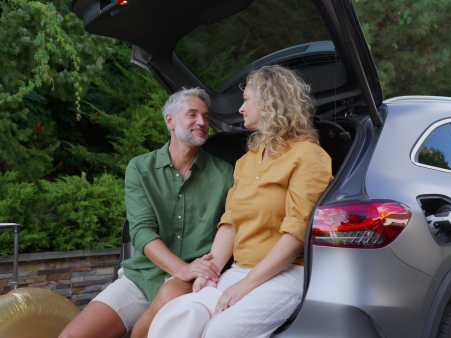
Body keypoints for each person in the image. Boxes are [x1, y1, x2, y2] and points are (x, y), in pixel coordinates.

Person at [146, 65, 333, 338]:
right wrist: (209, 273)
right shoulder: (246, 161)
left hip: (287, 272)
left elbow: (296, 234)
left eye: (246, 100)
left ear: (269, 101)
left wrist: (245, 285)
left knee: (219, 332)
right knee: (180, 322)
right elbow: (230, 223)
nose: (240, 109)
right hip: (239, 269)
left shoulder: (309, 156)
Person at [59, 88, 234, 338]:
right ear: (170, 121)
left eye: (206, 117)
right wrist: (179, 268)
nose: (202, 122)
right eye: (192, 115)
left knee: (167, 297)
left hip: (191, 277)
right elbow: (141, 232)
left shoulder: (225, 173)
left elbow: (232, 225)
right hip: (141, 274)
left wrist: (189, 272)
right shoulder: (140, 167)